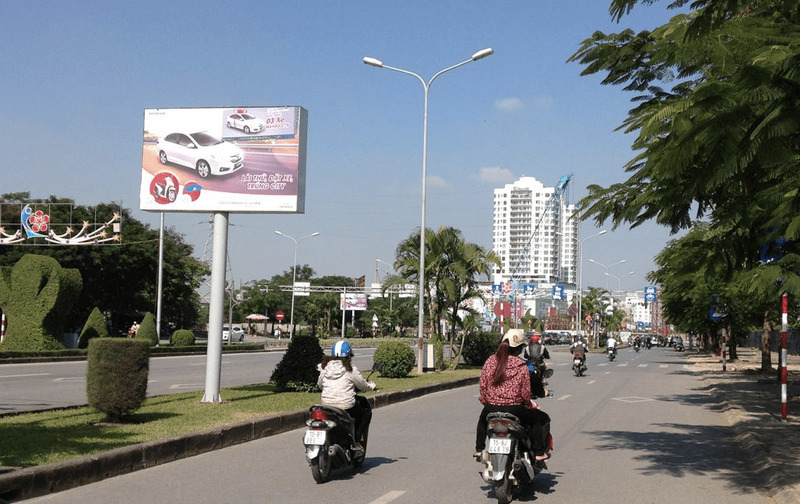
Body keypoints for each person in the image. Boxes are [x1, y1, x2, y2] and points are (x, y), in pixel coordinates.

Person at [475, 329, 551, 462]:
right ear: (520, 349)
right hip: (515, 409)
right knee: (539, 419)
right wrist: (527, 404)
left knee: (482, 420)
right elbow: (525, 392)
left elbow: (483, 385)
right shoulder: (522, 365)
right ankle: (539, 453)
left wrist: (486, 401)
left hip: (491, 408)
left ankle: (478, 450)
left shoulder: (491, 361)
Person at [317, 340, 376, 453]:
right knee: (363, 413)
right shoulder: (350, 369)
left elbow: (319, 385)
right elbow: (363, 385)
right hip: (346, 406)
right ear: (349, 355)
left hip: (327, 406)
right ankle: (357, 441)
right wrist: (371, 385)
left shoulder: (325, 368)